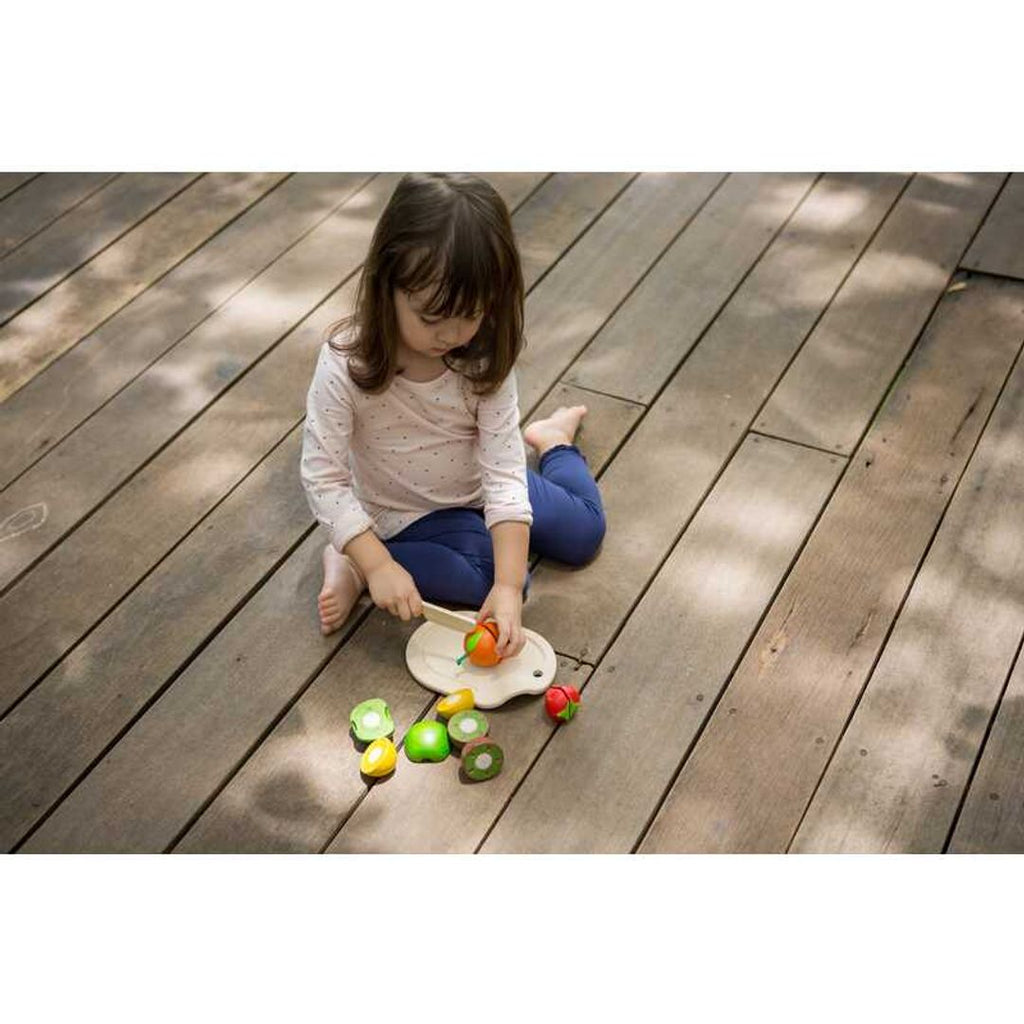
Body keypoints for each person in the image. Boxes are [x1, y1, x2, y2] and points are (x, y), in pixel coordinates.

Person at [300, 172, 606, 659]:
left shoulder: (480, 358)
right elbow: (324, 479)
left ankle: (553, 441)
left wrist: (506, 590)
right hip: (403, 513)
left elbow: (504, 475)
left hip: (480, 485)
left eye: (470, 314)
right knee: (497, 576)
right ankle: (351, 561)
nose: (451, 333)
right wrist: (378, 564)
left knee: (584, 532)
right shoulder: (346, 365)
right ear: (387, 285)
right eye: (430, 317)